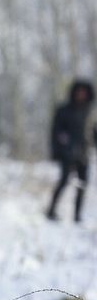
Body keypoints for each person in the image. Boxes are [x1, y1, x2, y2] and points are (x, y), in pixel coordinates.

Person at [46, 79, 94, 223]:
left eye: (84, 92)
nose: (81, 95)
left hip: (84, 154)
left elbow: (93, 132)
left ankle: (77, 216)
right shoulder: (64, 110)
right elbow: (56, 132)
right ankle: (51, 211)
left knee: (83, 184)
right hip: (67, 154)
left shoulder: (89, 112)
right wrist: (57, 151)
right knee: (64, 181)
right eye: (79, 92)